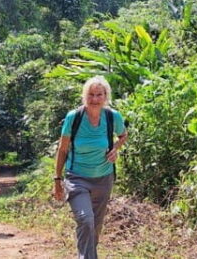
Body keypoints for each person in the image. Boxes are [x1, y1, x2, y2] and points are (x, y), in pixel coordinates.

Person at [53, 76, 128, 259]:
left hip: (104, 178)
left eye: (99, 95)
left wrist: (115, 149)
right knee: (86, 220)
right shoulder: (74, 117)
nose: (95, 99)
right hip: (77, 178)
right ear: (84, 96)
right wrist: (57, 179)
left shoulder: (112, 116)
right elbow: (63, 149)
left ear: (106, 96)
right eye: (91, 95)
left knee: (95, 226)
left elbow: (123, 135)